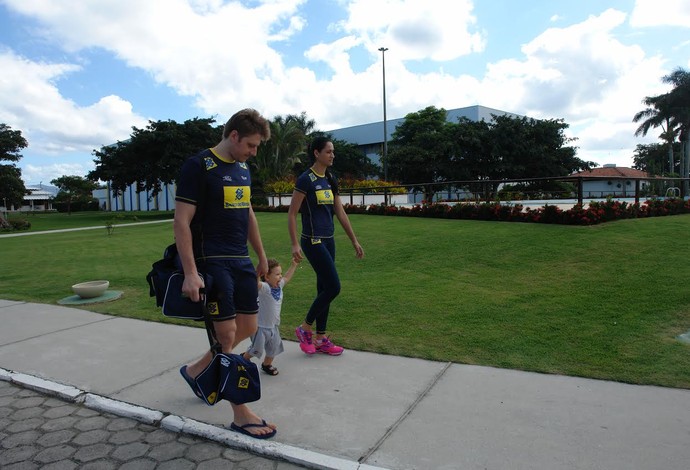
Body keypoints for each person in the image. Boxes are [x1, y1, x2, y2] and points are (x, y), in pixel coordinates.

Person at [173, 108, 276, 439]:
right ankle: (240, 411)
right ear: (233, 136)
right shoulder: (199, 166)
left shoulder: (242, 168)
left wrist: (261, 255)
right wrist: (190, 272)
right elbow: (182, 221)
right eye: (251, 145)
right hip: (211, 261)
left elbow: (248, 215)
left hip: (240, 260)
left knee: (247, 326)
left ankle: (196, 371)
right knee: (228, 336)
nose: (253, 152)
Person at [287, 136, 364, 356]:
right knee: (333, 287)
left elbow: (339, 212)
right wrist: (294, 244)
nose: (332, 155)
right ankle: (304, 328)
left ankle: (320, 338)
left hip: (328, 240)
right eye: (328, 151)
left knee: (324, 289)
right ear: (317, 153)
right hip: (312, 240)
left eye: (333, 151)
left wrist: (354, 240)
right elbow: (292, 214)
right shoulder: (305, 180)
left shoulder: (330, 179)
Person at [242, 257, 301, 375]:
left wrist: (294, 265)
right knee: (256, 349)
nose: (280, 276)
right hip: (260, 327)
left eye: (280, 273)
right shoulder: (265, 288)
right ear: (267, 277)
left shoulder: (279, 286)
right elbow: (256, 283)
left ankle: (266, 365)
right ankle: (243, 360)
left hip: (273, 326)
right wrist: (258, 273)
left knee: (273, 348)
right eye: (277, 274)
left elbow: (287, 277)